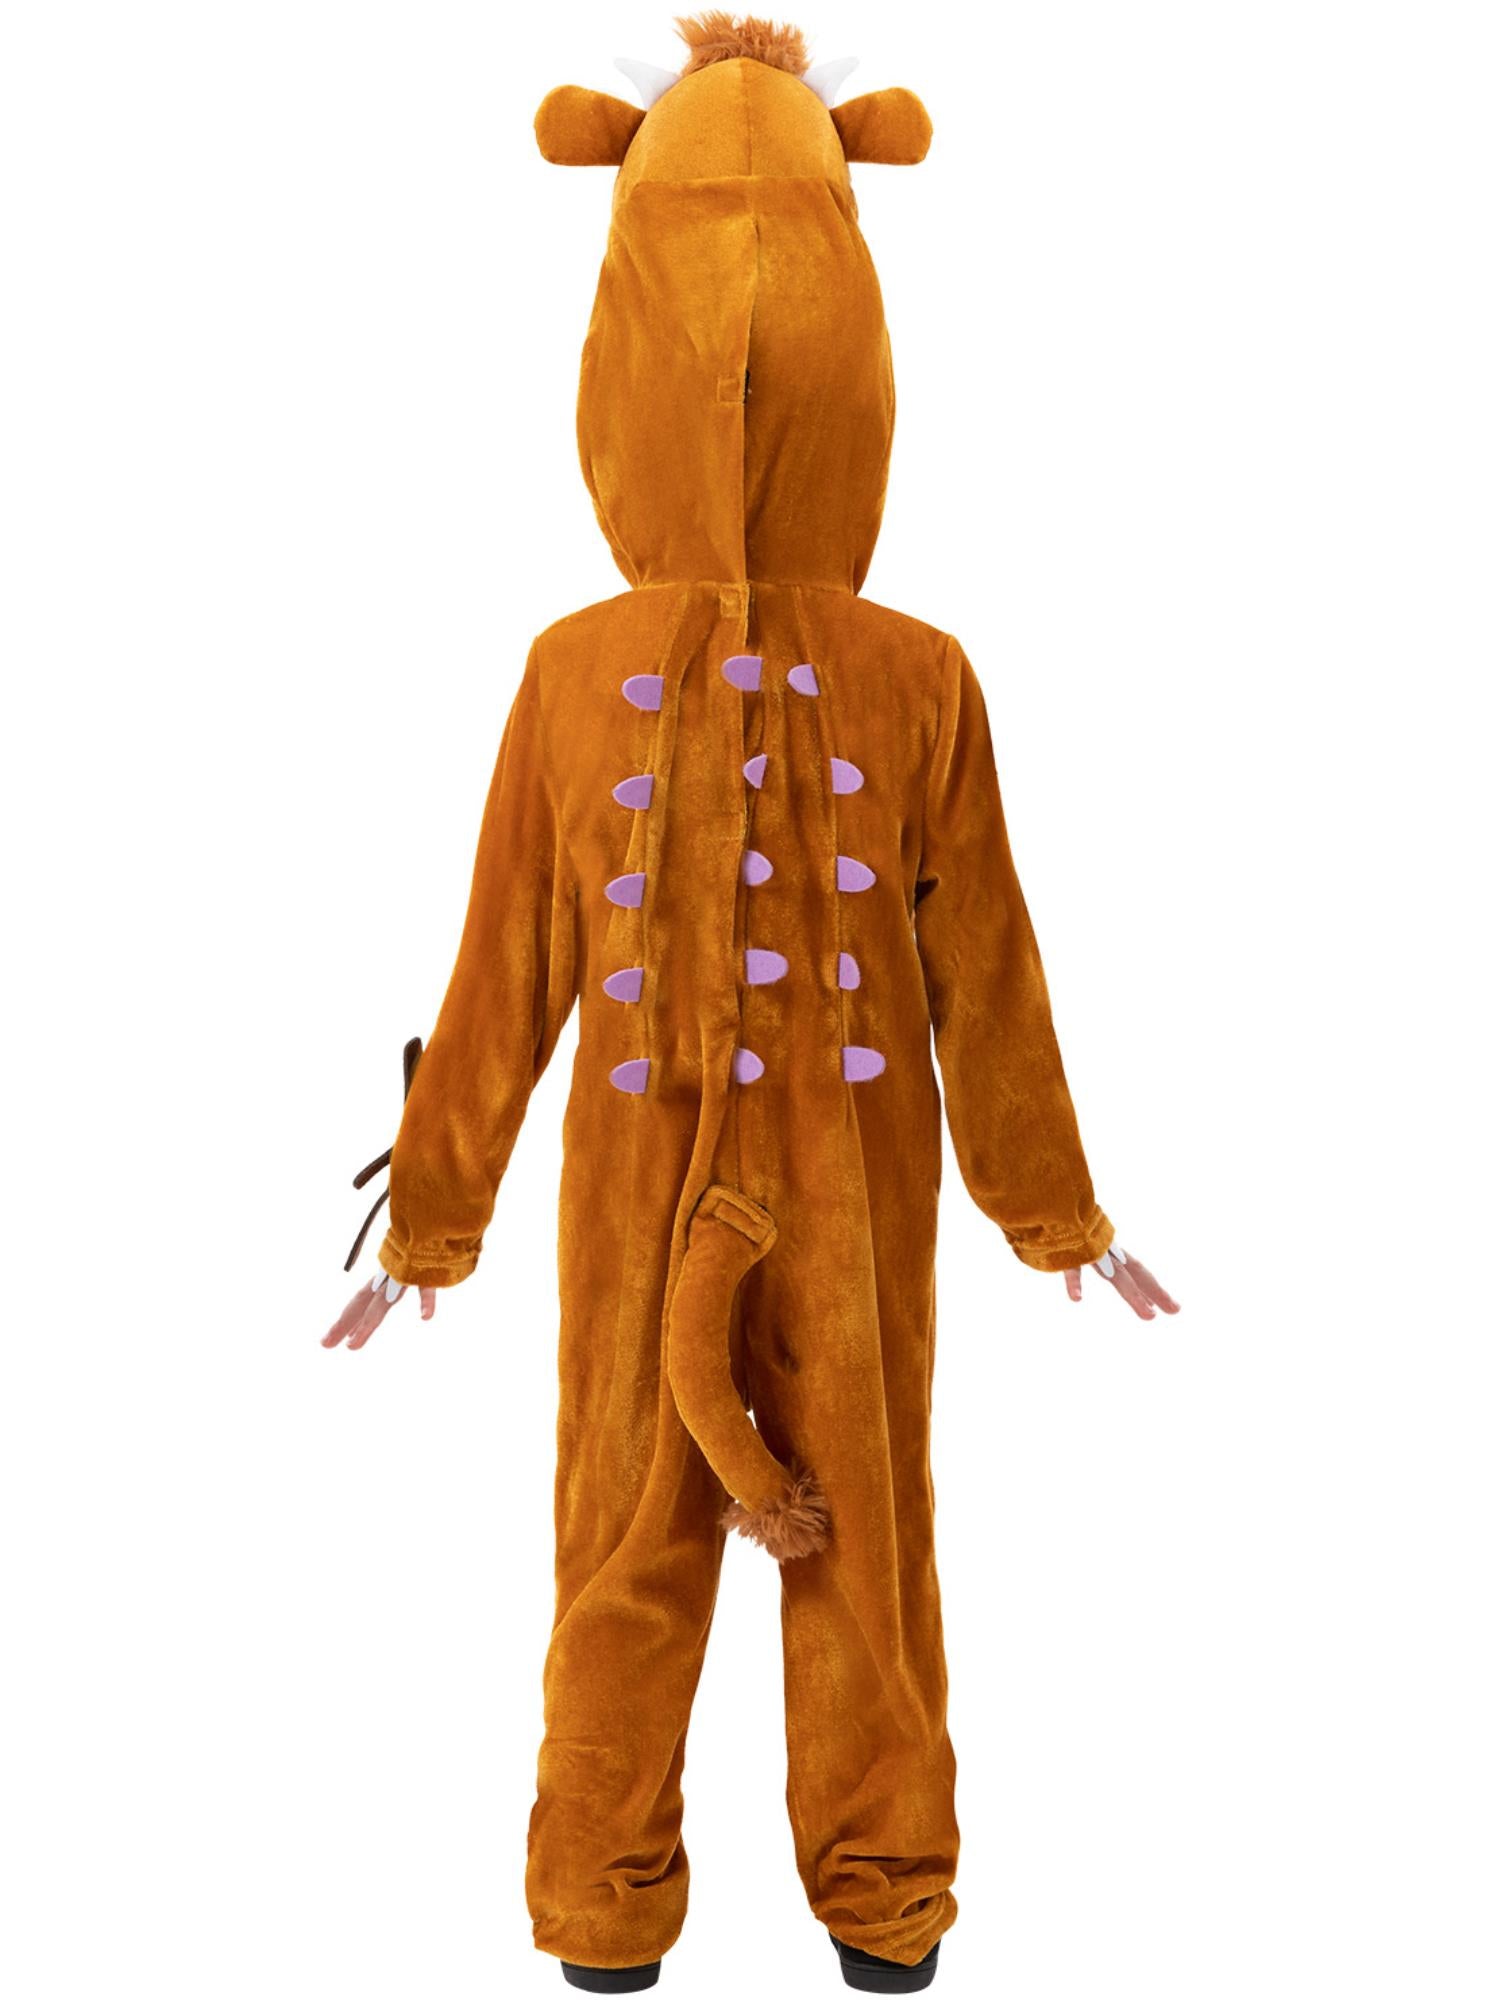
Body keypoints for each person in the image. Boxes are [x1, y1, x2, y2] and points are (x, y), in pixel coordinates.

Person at [323, 19, 1178, 1995]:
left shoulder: (921, 675)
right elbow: (506, 956)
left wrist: (1056, 1206)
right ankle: (603, 1897)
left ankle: (885, 1896)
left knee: (865, 1549)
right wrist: (430, 1211)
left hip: (853, 1197)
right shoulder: (568, 671)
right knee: (624, 1544)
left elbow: (988, 963)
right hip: (640, 1188)